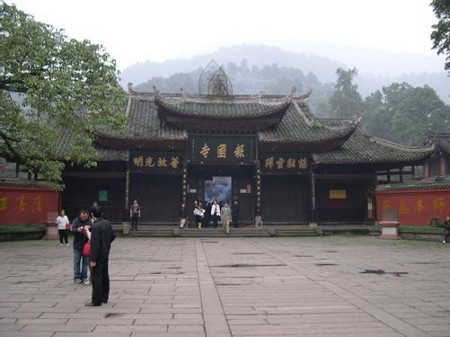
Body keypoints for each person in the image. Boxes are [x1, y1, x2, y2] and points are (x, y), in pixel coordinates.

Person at [85, 204, 116, 307]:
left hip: (97, 255)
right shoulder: (107, 223)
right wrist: (106, 244)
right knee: (105, 276)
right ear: (102, 213)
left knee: (96, 278)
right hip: (105, 253)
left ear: (92, 214)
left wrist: (92, 259)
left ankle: (96, 300)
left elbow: (95, 244)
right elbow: (113, 236)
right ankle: (104, 297)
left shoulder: (96, 226)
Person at [71, 209, 91, 285]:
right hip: (77, 245)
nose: (84, 218)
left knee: (85, 263)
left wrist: (89, 228)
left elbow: (94, 230)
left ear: (87, 215)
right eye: (82, 217)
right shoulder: (76, 221)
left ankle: (84, 277)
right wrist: (77, 230)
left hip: (86, 246)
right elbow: (72, 230)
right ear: (80, 215)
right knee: (77, 262)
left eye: (85, 217)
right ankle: (76, 277)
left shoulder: (90, 221)